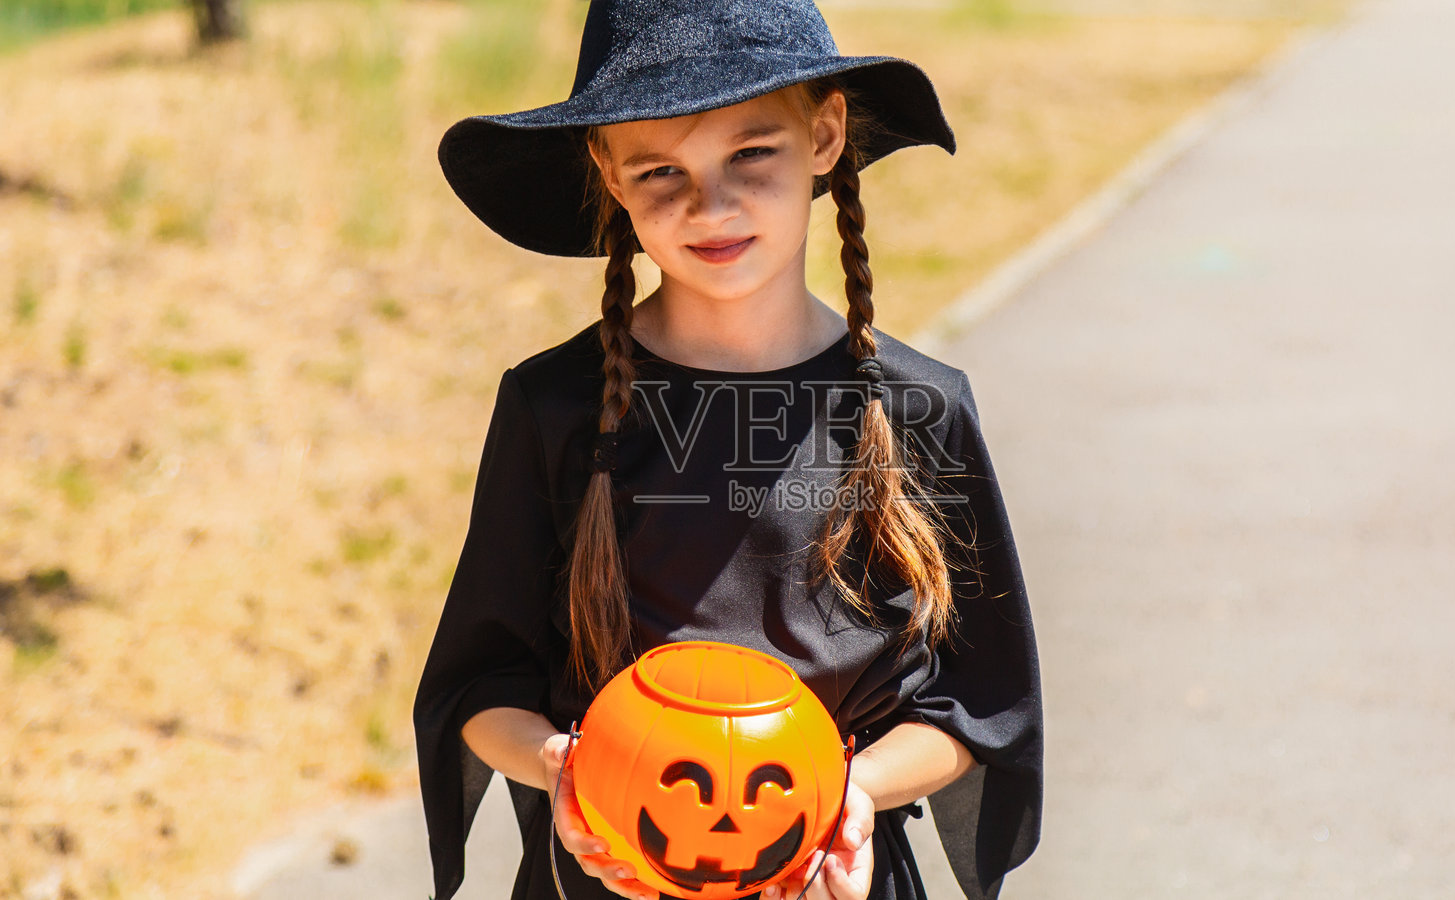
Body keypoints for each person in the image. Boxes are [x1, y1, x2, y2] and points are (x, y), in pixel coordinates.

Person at [411, 1, 1044, 899]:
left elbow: (977, 705)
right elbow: (480, 686)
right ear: (609, 172)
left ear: (824, 135)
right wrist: (565, 766)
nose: (709, 206)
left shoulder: (920, 409)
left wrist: (849, 791)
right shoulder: (555, 405)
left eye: (750, 153)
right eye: (660, 170)